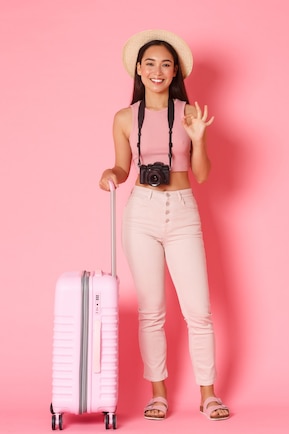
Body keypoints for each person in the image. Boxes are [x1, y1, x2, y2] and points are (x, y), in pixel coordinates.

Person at [99, 29, 229, 421]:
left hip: (183, 210)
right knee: (151, 311)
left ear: (175, 73)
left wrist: (200, 139)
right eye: (150, 63)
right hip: (141, 211)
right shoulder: (124, 118)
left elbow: (202, 175)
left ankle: (209, 395)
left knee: (199, 311)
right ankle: (158, 394)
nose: (157, 70)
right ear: (138, 70)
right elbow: (123, 167)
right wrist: (111, 173)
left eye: (166, 64)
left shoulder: (190, 114)